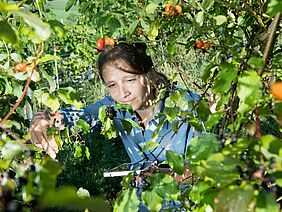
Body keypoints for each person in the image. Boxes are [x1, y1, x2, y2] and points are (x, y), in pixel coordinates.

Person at [29, 41, 204, 210]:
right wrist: (48, 120)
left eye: (130, 80)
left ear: (149, 75)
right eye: (112, 85)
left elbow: (215, 164)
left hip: (191, 204)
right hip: (143, 205)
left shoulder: (188, 105)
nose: (123, 93)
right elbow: (84, 114)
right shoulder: (116, 109)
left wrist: (171, 174)